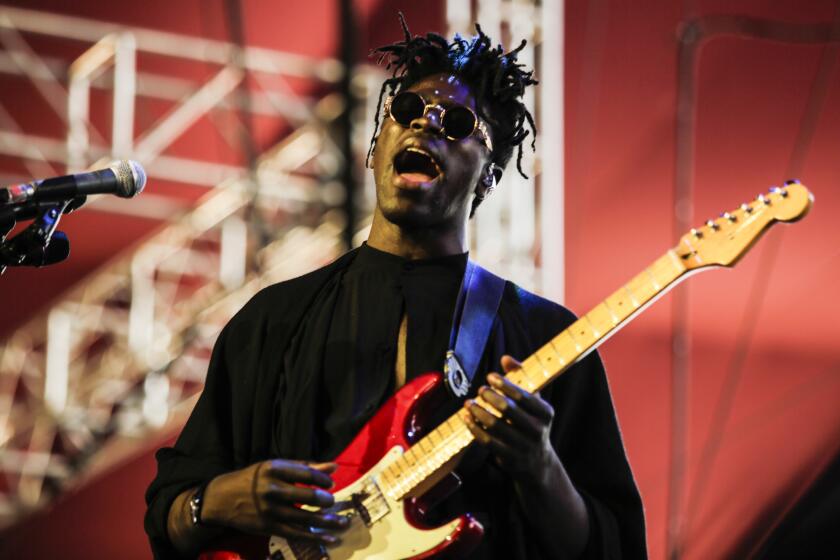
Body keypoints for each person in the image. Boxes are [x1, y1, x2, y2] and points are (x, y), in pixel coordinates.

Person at [145, 17, 647, 560]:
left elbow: (611, 547)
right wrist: (218, 501)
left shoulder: (544, 339)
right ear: (375, 144)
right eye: (406, 111)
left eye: (458, 123)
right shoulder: (274, 318)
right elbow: (169, 513)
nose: (425, 125)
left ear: (489, 177)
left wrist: (540, 465)